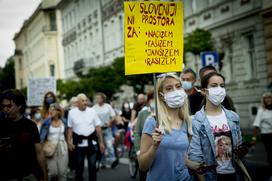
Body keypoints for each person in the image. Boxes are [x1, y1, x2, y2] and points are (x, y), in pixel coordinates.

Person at [188, 72, 248, 181]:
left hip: (235, 175)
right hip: (211, 176)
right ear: (204, 91)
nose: (219, 89)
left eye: (222, 86)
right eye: (214, 86)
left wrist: (242, 150)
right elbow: (195, 156)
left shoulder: (233, 117)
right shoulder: (196, 120)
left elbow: (239, 149)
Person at [138, 73, 193, 181]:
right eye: (169, 88)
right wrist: (154, 147)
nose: (176, 91)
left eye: (178, 86)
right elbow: (142, 166)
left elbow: (186, 158)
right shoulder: (153, 122)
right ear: (162, 96)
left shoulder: (187, 122)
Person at [0, 89, 48, 181]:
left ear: (19, 106)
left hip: (28, 175)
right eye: (3, 106)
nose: (5, 109)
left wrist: (44, 176)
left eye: (9, 106)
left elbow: (39, 153)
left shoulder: (30, 126)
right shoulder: (1, 125)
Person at [67, 93, 105, 181]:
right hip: (79, 145)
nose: (85, 102)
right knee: (79, 168)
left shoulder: (92, 111)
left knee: (92, 167)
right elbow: (70, 129)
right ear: (77, 102)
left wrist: (101, 143)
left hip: (92, 143)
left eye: (86, 100)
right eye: (82, 101)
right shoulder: (72, 113)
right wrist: (69, 142)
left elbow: (98, 128)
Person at [40, 103, 68, 181]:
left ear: (58, 111)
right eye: (49, 109)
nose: (50, 111)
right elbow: (41, 137)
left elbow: (67, 134)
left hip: (62, 147)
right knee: (53, 172)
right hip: (50, 147)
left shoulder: (64, 122)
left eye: (53, 109)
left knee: (62, 172)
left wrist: (69, 144)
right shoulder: (46, 122)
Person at [92, 92, 118, 168]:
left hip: (107, 129)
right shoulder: (93, 108)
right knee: (101, 146)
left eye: (99, 98)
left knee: (109, 145)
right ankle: (102, 162)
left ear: (103, 99)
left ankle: (113, 160)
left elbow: (113, 116)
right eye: (96, 98)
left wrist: (110, 121)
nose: (97, 99)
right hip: (98, 130)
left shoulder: (108, 107)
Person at [134, 90, 154, 181]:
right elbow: (137, 132)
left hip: (158, 151)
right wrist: (138, 150)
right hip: (145, 150)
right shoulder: (143, 113)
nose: (154, 101)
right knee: (143, 174)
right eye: (152, 99)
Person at [252, 92, 272, 172]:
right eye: (266, 98)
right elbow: (256, 125)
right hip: (267, 135)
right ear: (263, 100)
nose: (268, 99)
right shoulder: (261, 111)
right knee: (271, 153)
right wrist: (254, 138)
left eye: (269, 97)